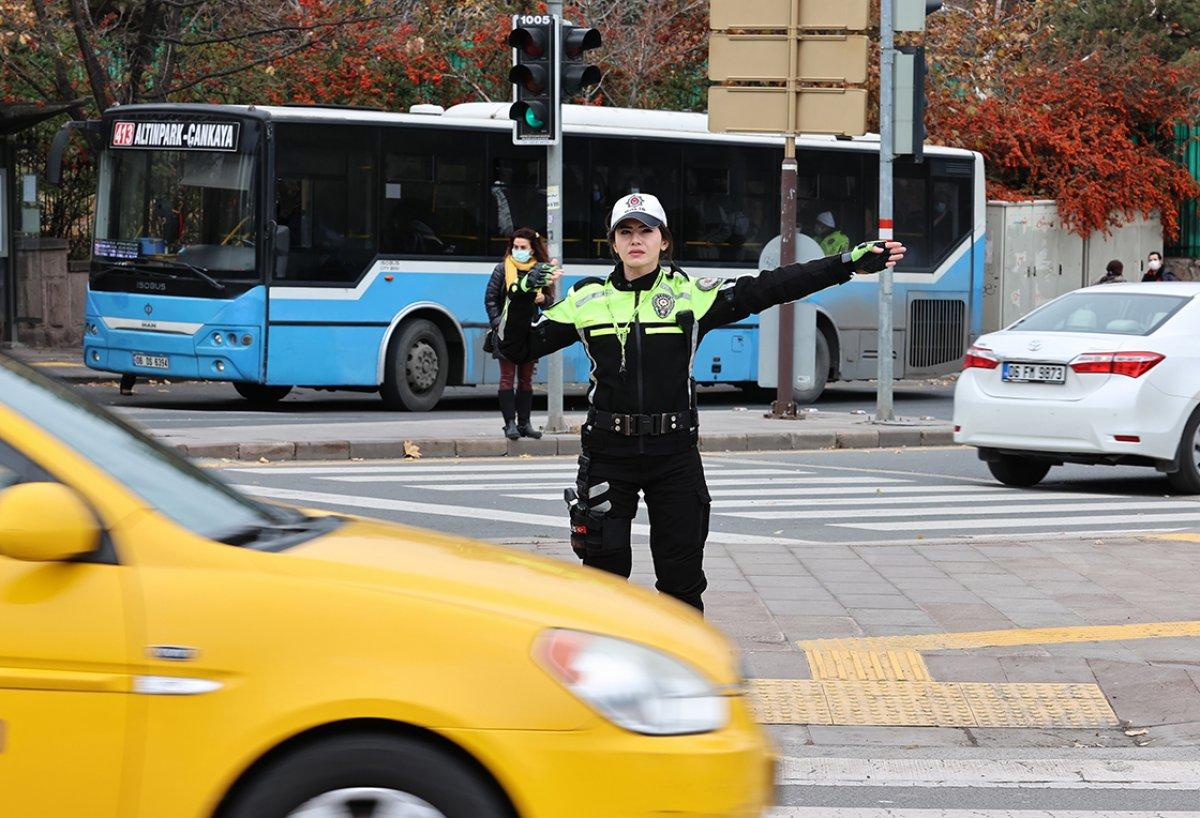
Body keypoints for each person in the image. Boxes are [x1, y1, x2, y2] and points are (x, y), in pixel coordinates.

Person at [498, 193, 904, 612]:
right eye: (626, 232)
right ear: (613, 244)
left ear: (663, 241)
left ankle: (679, 670)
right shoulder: (587, 301)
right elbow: (514, 347)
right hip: (608, 452)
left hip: (674, 455)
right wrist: (522, 295)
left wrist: (845, 265)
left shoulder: (691, 295)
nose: (636, 240)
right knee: (603, 577)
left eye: (645, 231)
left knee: (681, 581)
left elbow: (771, 286)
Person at [485, 228, 550, 440]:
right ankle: (509, 424)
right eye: (515, 247)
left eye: (523, 247)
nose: (518, 250)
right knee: (506, 378)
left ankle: (525, 424)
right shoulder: (502, 269)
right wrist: (497, 324)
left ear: (532, 250)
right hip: (506, 333)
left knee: (526, 380)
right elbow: (491, 299)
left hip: (529, 332)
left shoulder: (540, 271)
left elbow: (551, 301)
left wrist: (543, 300)